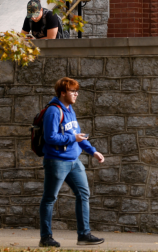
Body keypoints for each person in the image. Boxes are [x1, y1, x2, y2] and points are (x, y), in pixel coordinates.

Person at [39, 77, 105, 247]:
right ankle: (46, 238)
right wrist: (72, 138)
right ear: (63, 93)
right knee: (49, 198)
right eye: (72, 91)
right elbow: (50, 137)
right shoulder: (54, 111)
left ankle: (84, 235)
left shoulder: (69, 110)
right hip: (56, 162)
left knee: (83, 194)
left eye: (77, 91)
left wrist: (93, 151)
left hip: (74, 162)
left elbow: (78, 135)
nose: (76, 94)